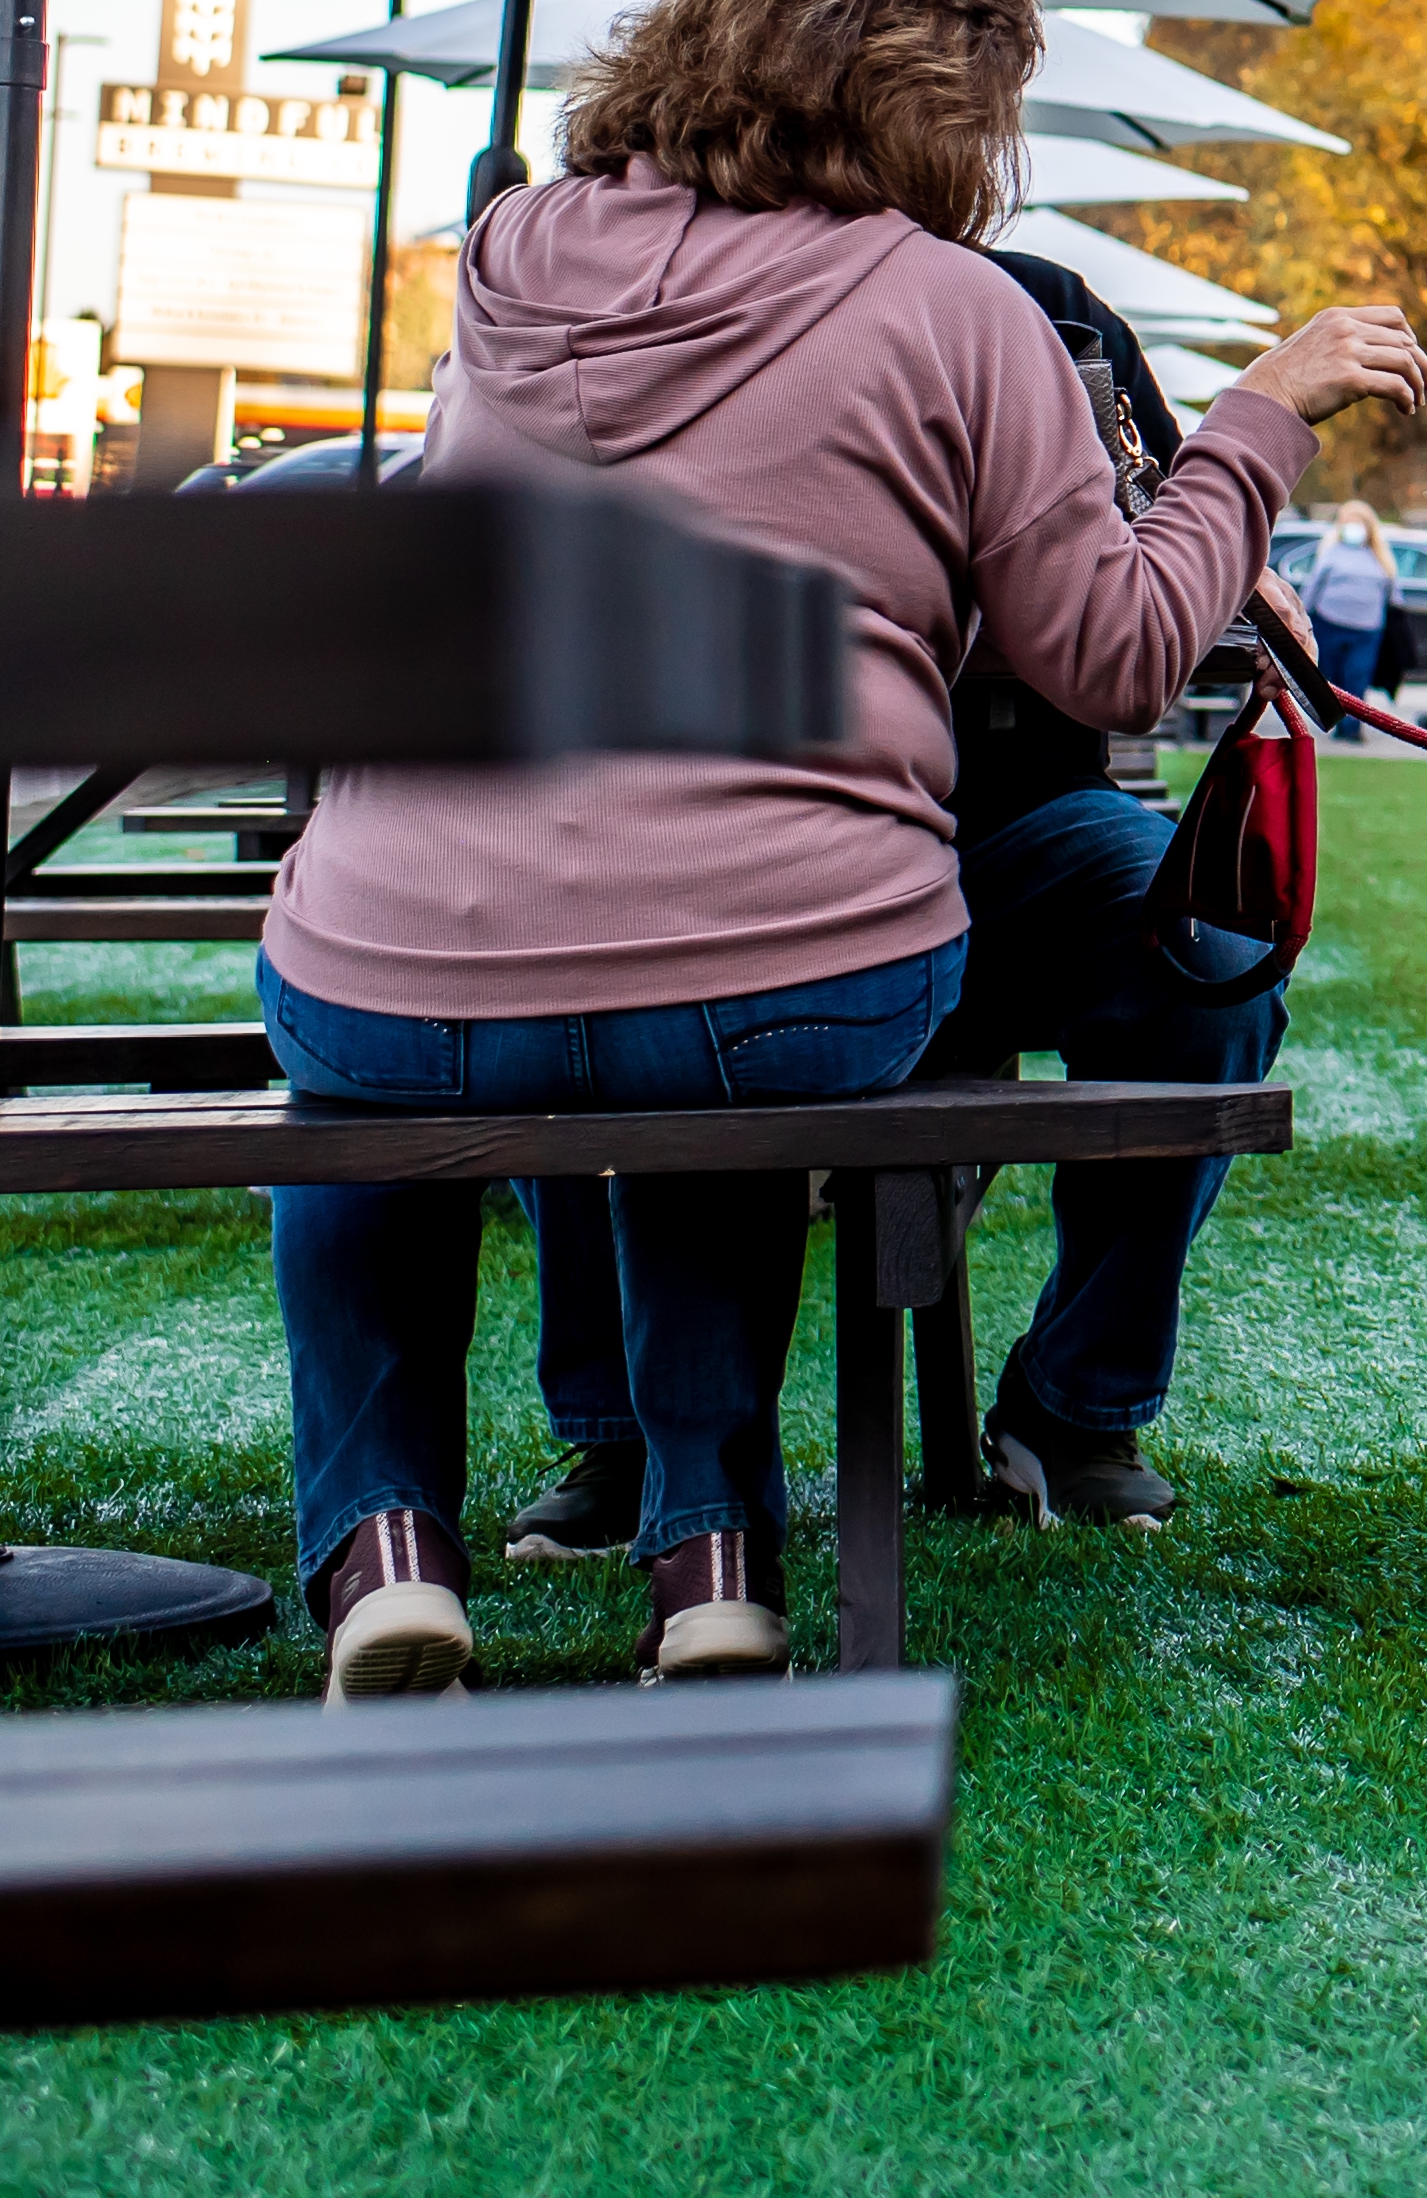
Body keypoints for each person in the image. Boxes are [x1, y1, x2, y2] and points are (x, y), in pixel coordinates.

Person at [261, 0, 1427, 1701]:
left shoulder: (509, 259)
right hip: (775, 977)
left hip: (407, 962)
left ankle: (386, 1545)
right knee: (724, 994)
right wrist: (1253, 430)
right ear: (927, 104)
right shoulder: (959, 308)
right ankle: (713, 1560)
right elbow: (1117, 654)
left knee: (381, 1053)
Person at [501, 240, 1303, 1561]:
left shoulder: (1048, 303)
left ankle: (1076, 1400)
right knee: (578, 956)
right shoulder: (694, 289)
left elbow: (1153, 577)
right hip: (733, 829)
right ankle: (624, 1426)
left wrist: (1224, 540)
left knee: (1208, 958)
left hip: (1015, 818)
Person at [1303, 496, 1398, 742]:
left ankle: (1353, 727)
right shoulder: (1331, 553)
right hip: (1330, 622)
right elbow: (1313, 587)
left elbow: (1393, 594)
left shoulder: (1380, 558)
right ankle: (1335, 719)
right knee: (1331, 674)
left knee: (1357, 675)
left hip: (1367, 629)